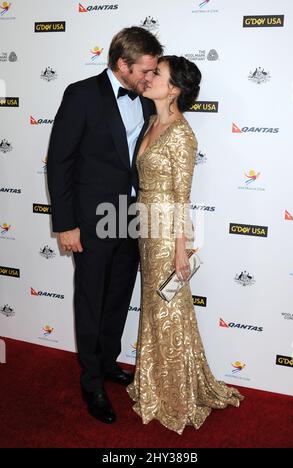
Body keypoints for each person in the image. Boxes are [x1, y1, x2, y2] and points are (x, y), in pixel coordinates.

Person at [47, 27, 163, 424]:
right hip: (91, 219)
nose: (150, 77)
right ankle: (91, 380)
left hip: (130, 216)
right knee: (91, 298)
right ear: (122, 64)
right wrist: (65, 224)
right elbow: (60, 162)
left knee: (117, 294)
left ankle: (109, 361)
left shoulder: (146, 100)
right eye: (145, 70)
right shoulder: (81, 95)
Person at [127, 56, 244, 434]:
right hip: (146, 226)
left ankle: (177, 394)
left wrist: (181, 250)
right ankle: (155, 383)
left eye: (155, 73)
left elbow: (182, 198)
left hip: (166, 232)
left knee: (168, 308)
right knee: (156, 306)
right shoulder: (151, 121)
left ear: (174, 88)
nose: (148, 77)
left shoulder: (181, 134)